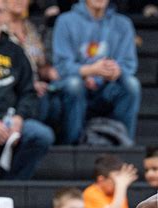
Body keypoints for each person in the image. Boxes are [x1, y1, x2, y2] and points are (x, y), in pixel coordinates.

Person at [52, 0, 141, 145]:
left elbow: (128, 64)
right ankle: (72, 146)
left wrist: (111, 72)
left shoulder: (123, 23)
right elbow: (61, 66)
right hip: (76, 86)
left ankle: (125, 145)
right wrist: (89, 71)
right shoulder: (65, 21)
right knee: (74, 84)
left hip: (107, 87)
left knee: (132, 84)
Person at [0, 0, 54, 180]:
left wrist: (19, 118)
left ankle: (12, 186)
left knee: (42, 135)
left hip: (9, 120)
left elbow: (28, 92)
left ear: (6, 16)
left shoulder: (15, 51)